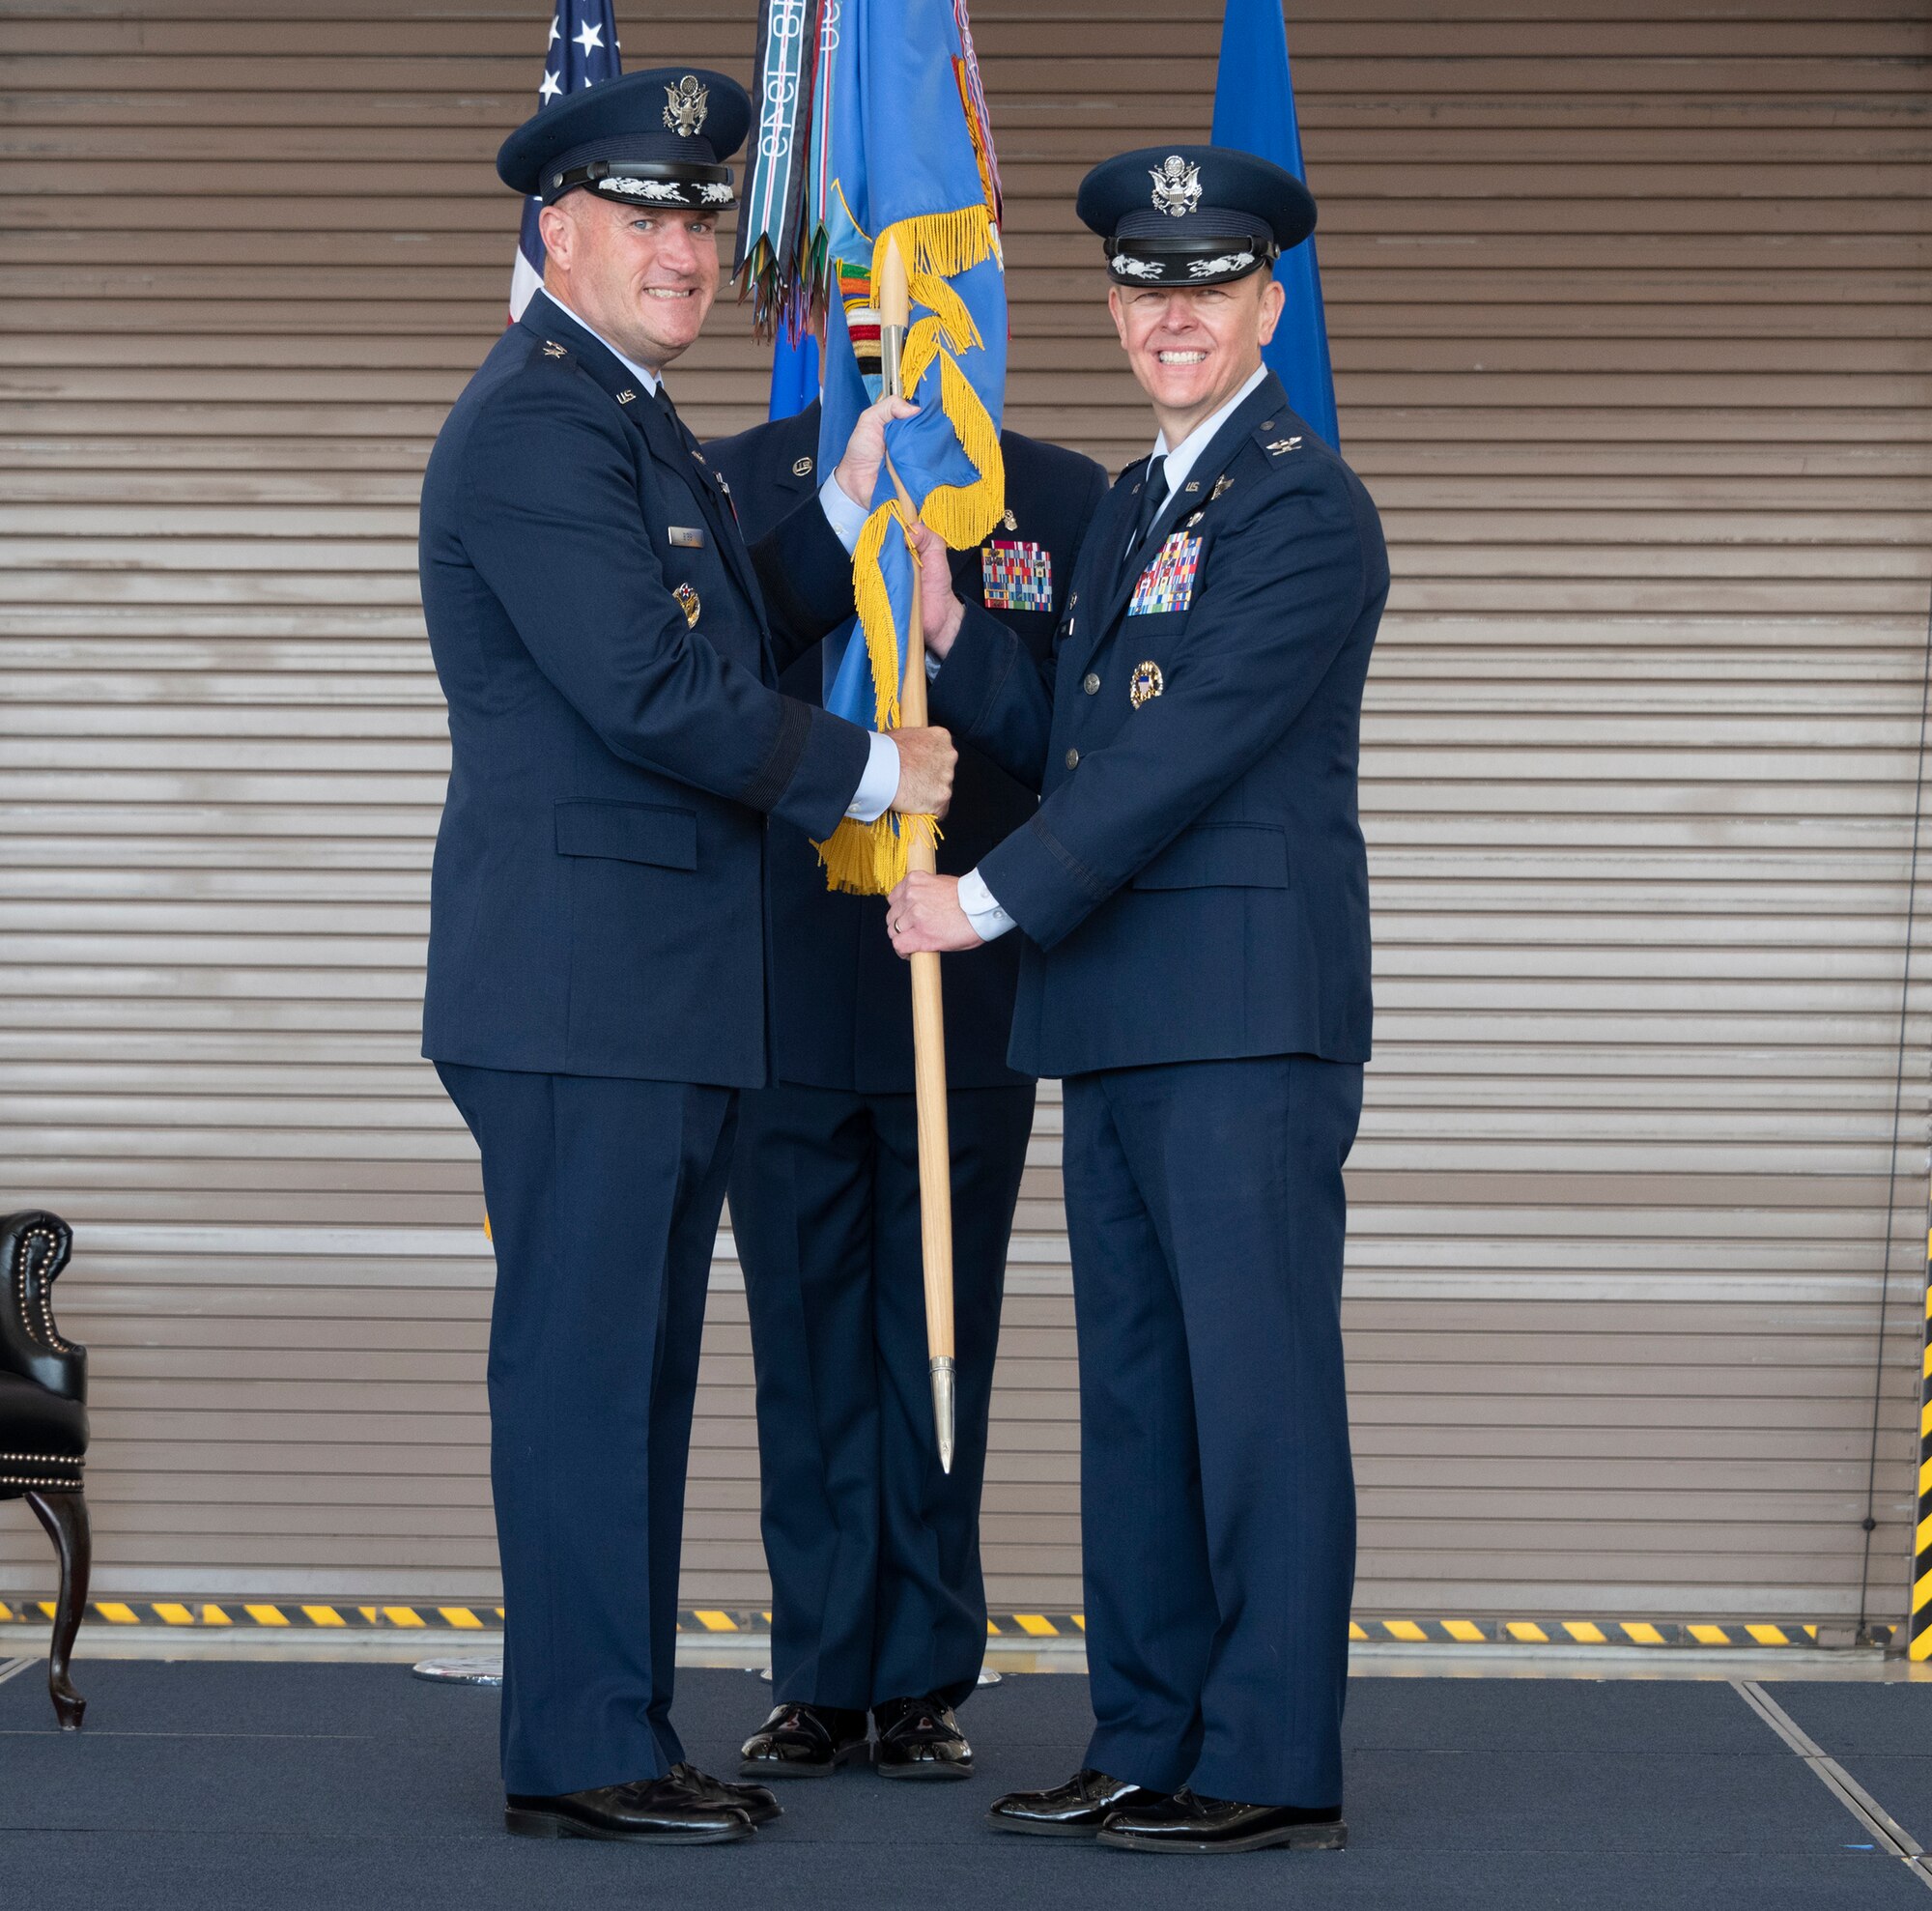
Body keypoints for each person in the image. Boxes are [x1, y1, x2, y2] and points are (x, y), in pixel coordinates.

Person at [416, 67, 955, 1844]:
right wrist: (881, 767)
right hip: (583, 997)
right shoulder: (537, 426)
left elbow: (727, 621)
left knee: (631, 1372)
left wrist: (840, 498)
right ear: (555, 233)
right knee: (585, 1372)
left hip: (650, 998)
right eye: (644, 216)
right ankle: (579, 1749)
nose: (686, 247)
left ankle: (612, 1725)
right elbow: (649, 691)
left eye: (704, 218)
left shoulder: (632, 419)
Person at [887, 144, 1388, 1856]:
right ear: (1116, 306)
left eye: (1209, 285)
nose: (1173, 316)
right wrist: (955, 632)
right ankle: (1148, 1729)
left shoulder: (1305, 506)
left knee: (1253, 1394)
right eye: (1146, 287)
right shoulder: (1133, 502)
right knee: (1140, 1399)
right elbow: (1074, 737)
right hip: (1116, 1015)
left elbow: (1177, 761)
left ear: (1267, 302)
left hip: (1244, 1020)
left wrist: (983, 897)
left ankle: (1263, 1757)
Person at [706, 393, 1106, 1781]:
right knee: (807, 1352)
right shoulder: (736, 475)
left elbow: (1079, 731)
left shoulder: (1053, 494)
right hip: (786, 980)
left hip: (967, 983)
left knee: (941, 1330)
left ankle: (927, 1674)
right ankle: (820, 1674)